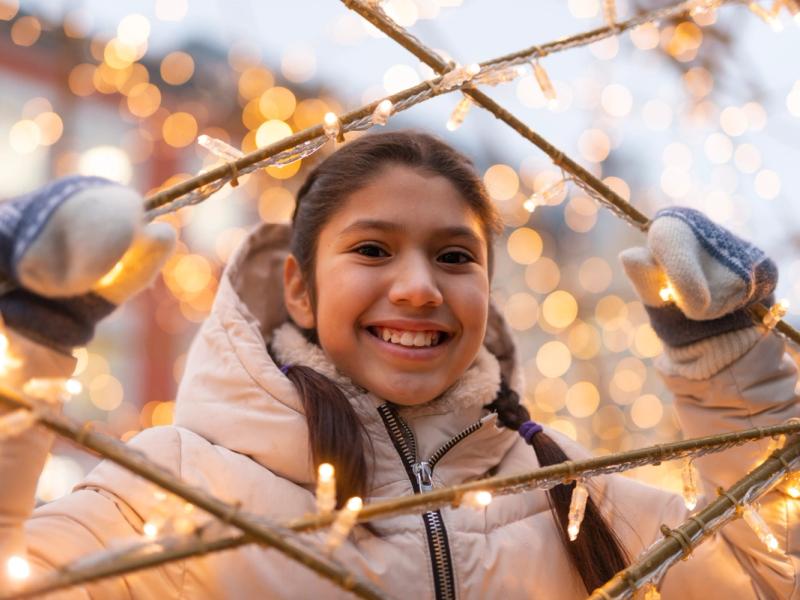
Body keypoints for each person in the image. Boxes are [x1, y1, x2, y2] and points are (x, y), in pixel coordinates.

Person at [0, 130, 798, 599]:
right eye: (373, 249)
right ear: (300, 289)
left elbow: (773, 578)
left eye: (454, 256)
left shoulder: (581, 500)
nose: (418, 289)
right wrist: (28, 334)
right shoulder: (167, 491)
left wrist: (729, 357)